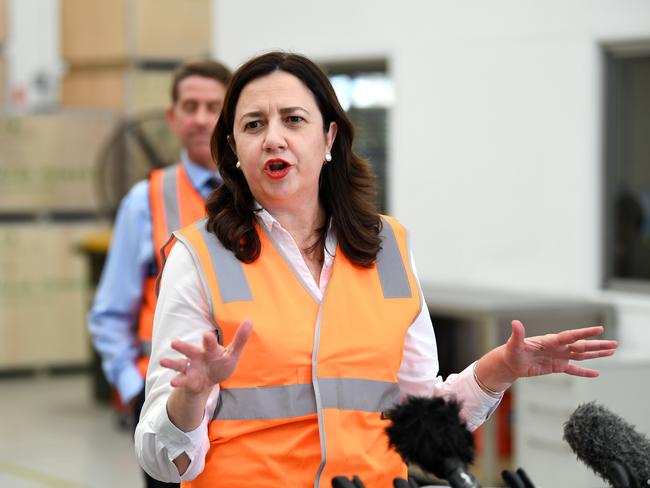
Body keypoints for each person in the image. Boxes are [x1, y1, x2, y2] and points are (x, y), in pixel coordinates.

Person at [134, 52, 618, 487]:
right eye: (254, 125)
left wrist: (498, 371)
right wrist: (189, 399)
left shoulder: (386, 247)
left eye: (293, 119)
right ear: (235, 150)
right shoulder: (200, 255)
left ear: (329, 137)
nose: (273, 137)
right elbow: (162, 460)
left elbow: (418, 417)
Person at [88, 59, 231, 488]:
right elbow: (110, 312)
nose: (201, 118)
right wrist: (134, 390)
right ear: (172, 117)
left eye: (213, 106)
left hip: (245, 405)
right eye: (190, 105)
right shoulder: (143, 200)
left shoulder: (264, 196)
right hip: (169, 405)